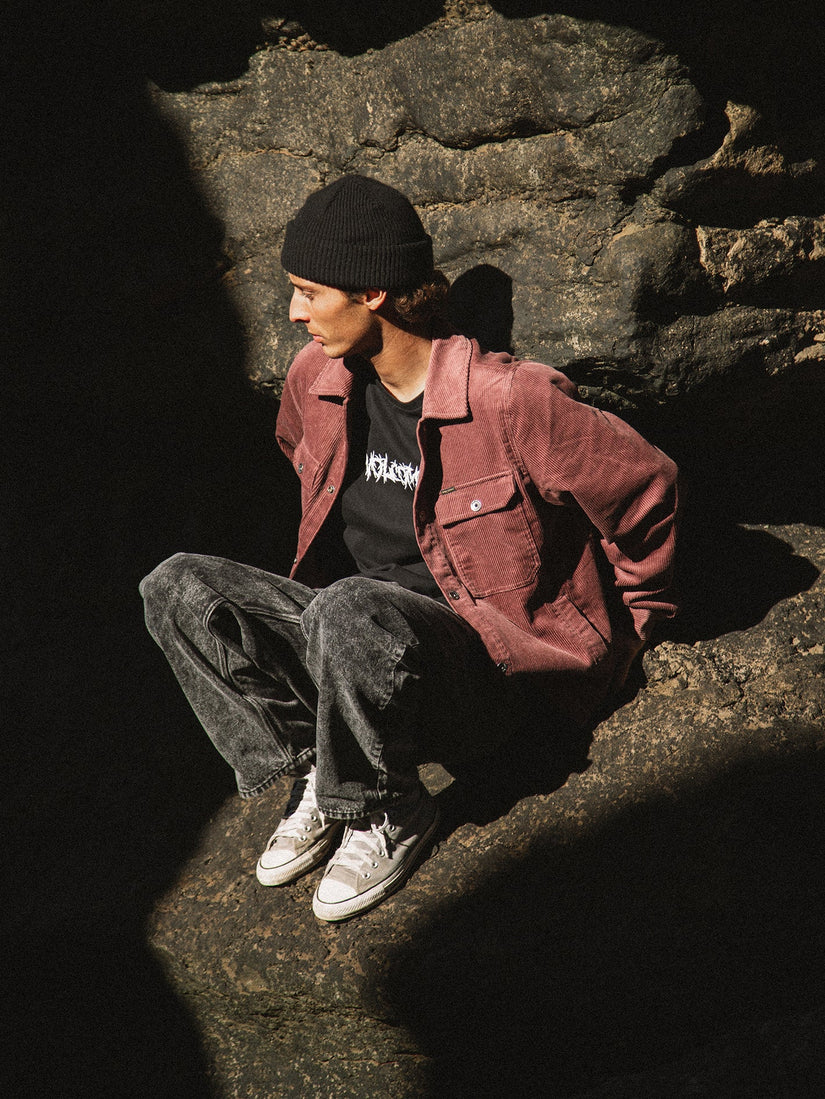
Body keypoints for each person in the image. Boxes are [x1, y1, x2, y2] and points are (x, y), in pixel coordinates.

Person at [141, 174, 678, 922]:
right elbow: (297, 453)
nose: (293, 313)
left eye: (309, 292)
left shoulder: (508, 400)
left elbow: (645, 483)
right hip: (350, 648)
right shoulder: (315, 381)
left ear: (373, 293)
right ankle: (319, 768)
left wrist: (637, 624)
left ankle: (386, 805)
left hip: (481, 681)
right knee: (175, 586)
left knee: (350, 607)